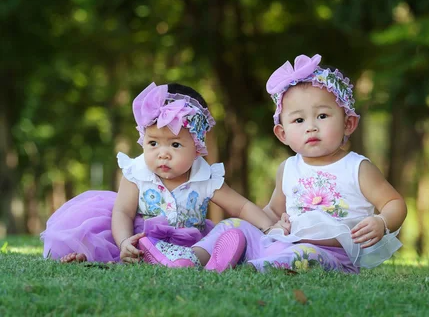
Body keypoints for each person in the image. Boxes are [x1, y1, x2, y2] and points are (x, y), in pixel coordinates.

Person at [139, 54, 407, 273]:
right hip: (283, 241)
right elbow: (272, 212)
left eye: (323, 116)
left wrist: (382, 221)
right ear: (283, 133)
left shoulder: (357, 167)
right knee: (234, 225)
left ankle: (254, 268)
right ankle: (192, 258)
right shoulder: (288, 169)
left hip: (333, 254)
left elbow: (395, 203)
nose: (311, 127)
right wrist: (272, 225)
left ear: (348, 122)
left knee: (305, 254)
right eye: (298, 121)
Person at [41, 82, 274, 265]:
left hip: (189, 243)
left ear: (197, 148)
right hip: (142, 239)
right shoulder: (137, 173)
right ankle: (89, 257)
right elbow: (122, 212)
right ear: (143, 139)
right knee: (117, 245)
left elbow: (240, 207)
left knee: (228, 231)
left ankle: (195, 260)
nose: (163, 154)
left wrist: (270, 228)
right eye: (153, 143)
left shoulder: (204, 178)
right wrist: (123, 242)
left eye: (174, 145)